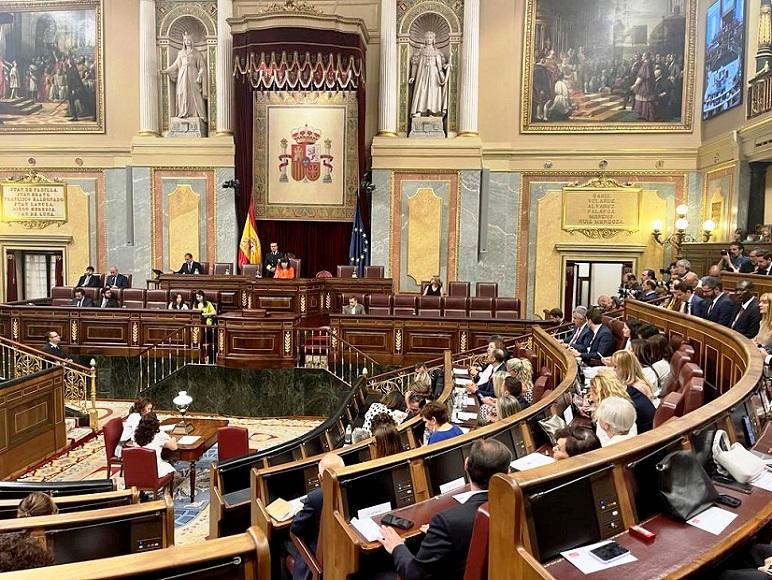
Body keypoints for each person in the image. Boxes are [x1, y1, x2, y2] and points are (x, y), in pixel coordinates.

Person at [378, 439, 511, 579]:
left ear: (466, 464)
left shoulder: (447, 522)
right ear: (507, 472)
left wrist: (397, 546)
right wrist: (440, 535)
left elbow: (414, 575)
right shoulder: (516, 503)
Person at [290, 453, 346, 580]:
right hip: (344, 551)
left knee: (284, 544)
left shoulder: (315, 498)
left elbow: (296, 528)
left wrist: (301, 512)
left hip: (321, 556)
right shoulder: (350, 490)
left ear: (320, 478)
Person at [161, 32, 208, 120]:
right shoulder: (180, 53)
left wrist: (200, 75)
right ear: (183, 42)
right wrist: (166, 70)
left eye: (189, 40)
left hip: (193, 75)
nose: (187, 42)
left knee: (195, 94)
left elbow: (202, 67)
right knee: (181, 93)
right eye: (185, 40)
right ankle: (183, 112)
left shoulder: (196, 53)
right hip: (182, 76)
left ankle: (197, 114)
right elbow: (175, 65)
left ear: (192, 41)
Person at [408, 31, 448, 118]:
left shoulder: (437, 52)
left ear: (433, 40)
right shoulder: (420, 52)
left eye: (430, 38)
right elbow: (415, 64)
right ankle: (419, 111)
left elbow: (441, 65)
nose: (429, 39)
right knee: (422, 90)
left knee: (432, 92)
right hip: (422, 74)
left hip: (434, 75)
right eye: (427, 38)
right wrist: (412, 76)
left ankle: (431, 112)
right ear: (425, 40)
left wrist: (446, 66)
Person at [132, 412, 178, 478]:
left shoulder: (134, 436)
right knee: (169, 466)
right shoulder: (159, 435)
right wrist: (173, 438)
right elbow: (174, 447)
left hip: (138, 469)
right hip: (155, 470)